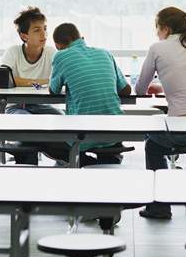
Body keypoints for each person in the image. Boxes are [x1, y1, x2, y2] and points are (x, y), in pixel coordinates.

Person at [134, 7, 186, 219]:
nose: (156, 34)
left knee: (152, 144)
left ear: (166, 29)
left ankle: (160, 206)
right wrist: (163, 88)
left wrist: (153, 87)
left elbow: (140, 89)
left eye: (157, 29)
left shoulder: (158, 48)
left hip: (182, 125)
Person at [41, 23, 131, 166]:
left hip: (82, 132)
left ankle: (85, 163)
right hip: (114, 131)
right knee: (107, 148)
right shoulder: (105, 53)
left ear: (58, 45)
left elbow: (54, 90)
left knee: (43, 140)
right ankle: (107, 160)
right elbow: (126, 90)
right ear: (82, 38)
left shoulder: (61, 56)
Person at [1, 7, 62, 164]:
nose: (44, 34)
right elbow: (6, 80)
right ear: (24, 36)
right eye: (37, 30)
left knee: (64, 122)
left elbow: (57, 80)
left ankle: (63, 163)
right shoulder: (13, 52)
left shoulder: (51, 53)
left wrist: (20, 80)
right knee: (28, 127)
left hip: (42, 105)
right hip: (16, 106)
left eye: (45, 29)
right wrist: (42, 82)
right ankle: (28, 163)